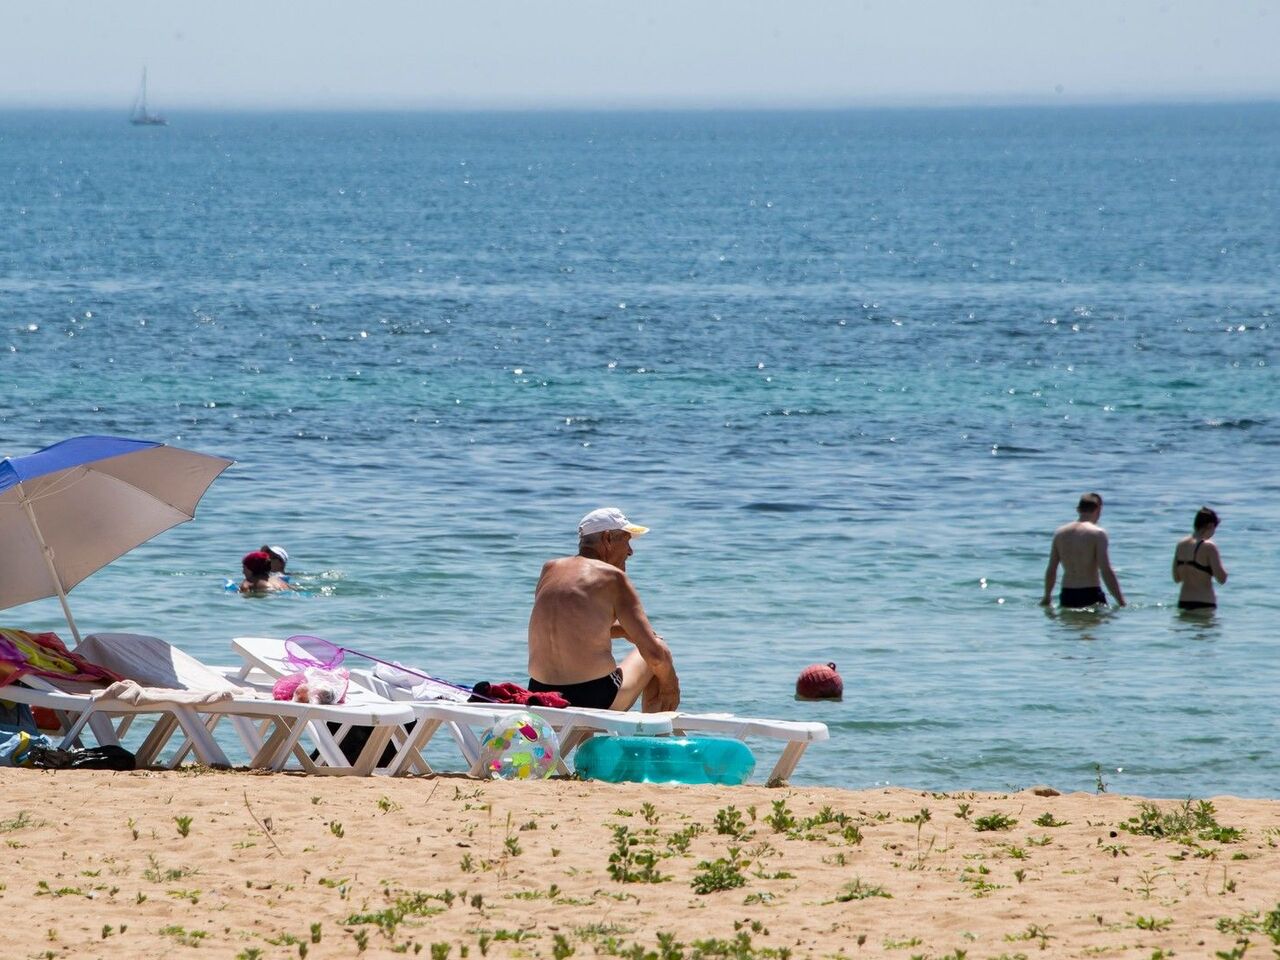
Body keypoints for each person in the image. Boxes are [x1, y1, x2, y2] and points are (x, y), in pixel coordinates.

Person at [527, 507, 680, 712]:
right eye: (626, 540)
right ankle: (654, 739)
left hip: (540, 693)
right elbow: (654, 655)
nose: (630, 551)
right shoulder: (613, 578)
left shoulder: (550, 569)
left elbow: (573, 628)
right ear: (607, 538)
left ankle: (583, 742)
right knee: (659, 651)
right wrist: (671, 686)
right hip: (592, 698)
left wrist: (623, 630)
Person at [1041, 492, 1126, 609]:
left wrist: (1047, 596)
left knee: (1069, 627)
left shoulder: (1060, 533)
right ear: (1098, 509)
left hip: (1067, 594)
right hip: (1090, 593)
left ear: (1078, 509)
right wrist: (1121, 601)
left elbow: (1052, 569)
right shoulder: (1098, 533)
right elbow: (1106, 570)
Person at [1172, 506, 1227, 611]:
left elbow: (1176, 578)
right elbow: (1222, 579)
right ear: (1210, 525)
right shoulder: (1209, 547)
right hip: (1204, 604)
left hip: (1183, 603)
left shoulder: (1180, 545)